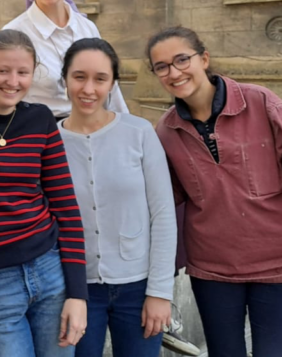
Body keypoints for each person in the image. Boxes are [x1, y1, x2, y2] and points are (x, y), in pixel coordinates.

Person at [146, 27, 282, 357]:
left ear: (204, 59)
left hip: (278, 268)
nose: (174, 72)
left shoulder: (262, 103)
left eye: (182, 60)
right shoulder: (167, 130)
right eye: (162, 66)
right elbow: (167, 204)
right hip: (212, 271)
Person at [0, 29, 88, 356]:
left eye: (23, 72)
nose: (12, 81)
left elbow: (66, 208)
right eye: (2, 70)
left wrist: (78, 294)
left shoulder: (40, 119)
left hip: (50, 275)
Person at [56, 38, 176, 357]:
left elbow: (163, 214)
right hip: (76, 290)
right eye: (79, 76)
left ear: (113, 83)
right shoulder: (50, 141)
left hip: (138, 288)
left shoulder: (139, 133)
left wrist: (160, 292)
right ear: (64, 79)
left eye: (100, 79)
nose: (89, 89)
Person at [3, 0, 127, 117]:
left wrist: (125, 125)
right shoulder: (14, 34)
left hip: (91, 128)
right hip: (42, 134)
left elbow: (110, 88)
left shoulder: (87, 27)